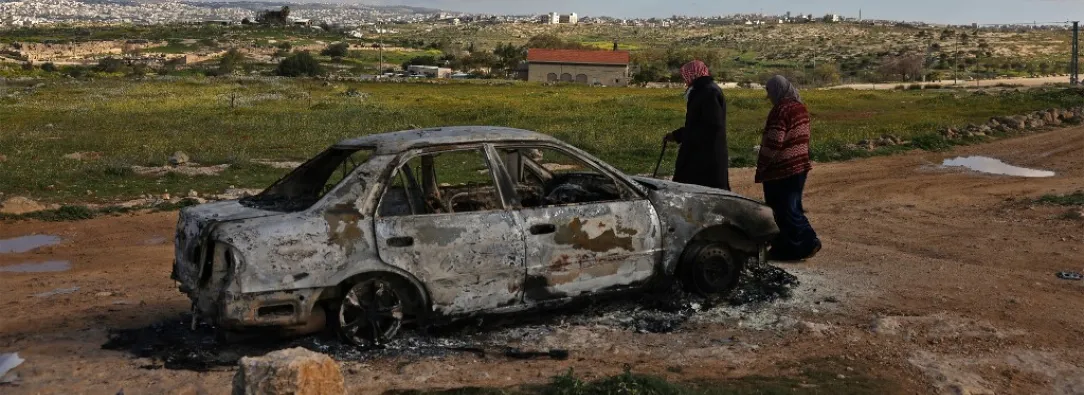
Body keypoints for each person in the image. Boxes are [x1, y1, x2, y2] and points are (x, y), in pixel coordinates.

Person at [756, 75, 821, 262]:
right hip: (800, 165)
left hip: (782, 169)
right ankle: (789, 248)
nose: (768, 96)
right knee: (791, 207)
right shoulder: (799, 107)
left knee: (783, 210)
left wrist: (763, 164)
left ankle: (808, 241)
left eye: (769, 91)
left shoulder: (780, 110)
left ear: (777, 90)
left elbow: (775, 141)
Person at [664, 60, 730, 191]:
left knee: (705, 195)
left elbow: (711, 126)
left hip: (705, 156)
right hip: (700, 154)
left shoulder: (708, 93)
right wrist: (678, 135)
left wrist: (679, 135)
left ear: (694, 74)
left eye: (686, 76)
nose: (685, 80)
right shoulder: (703, 90)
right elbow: (699, 124)